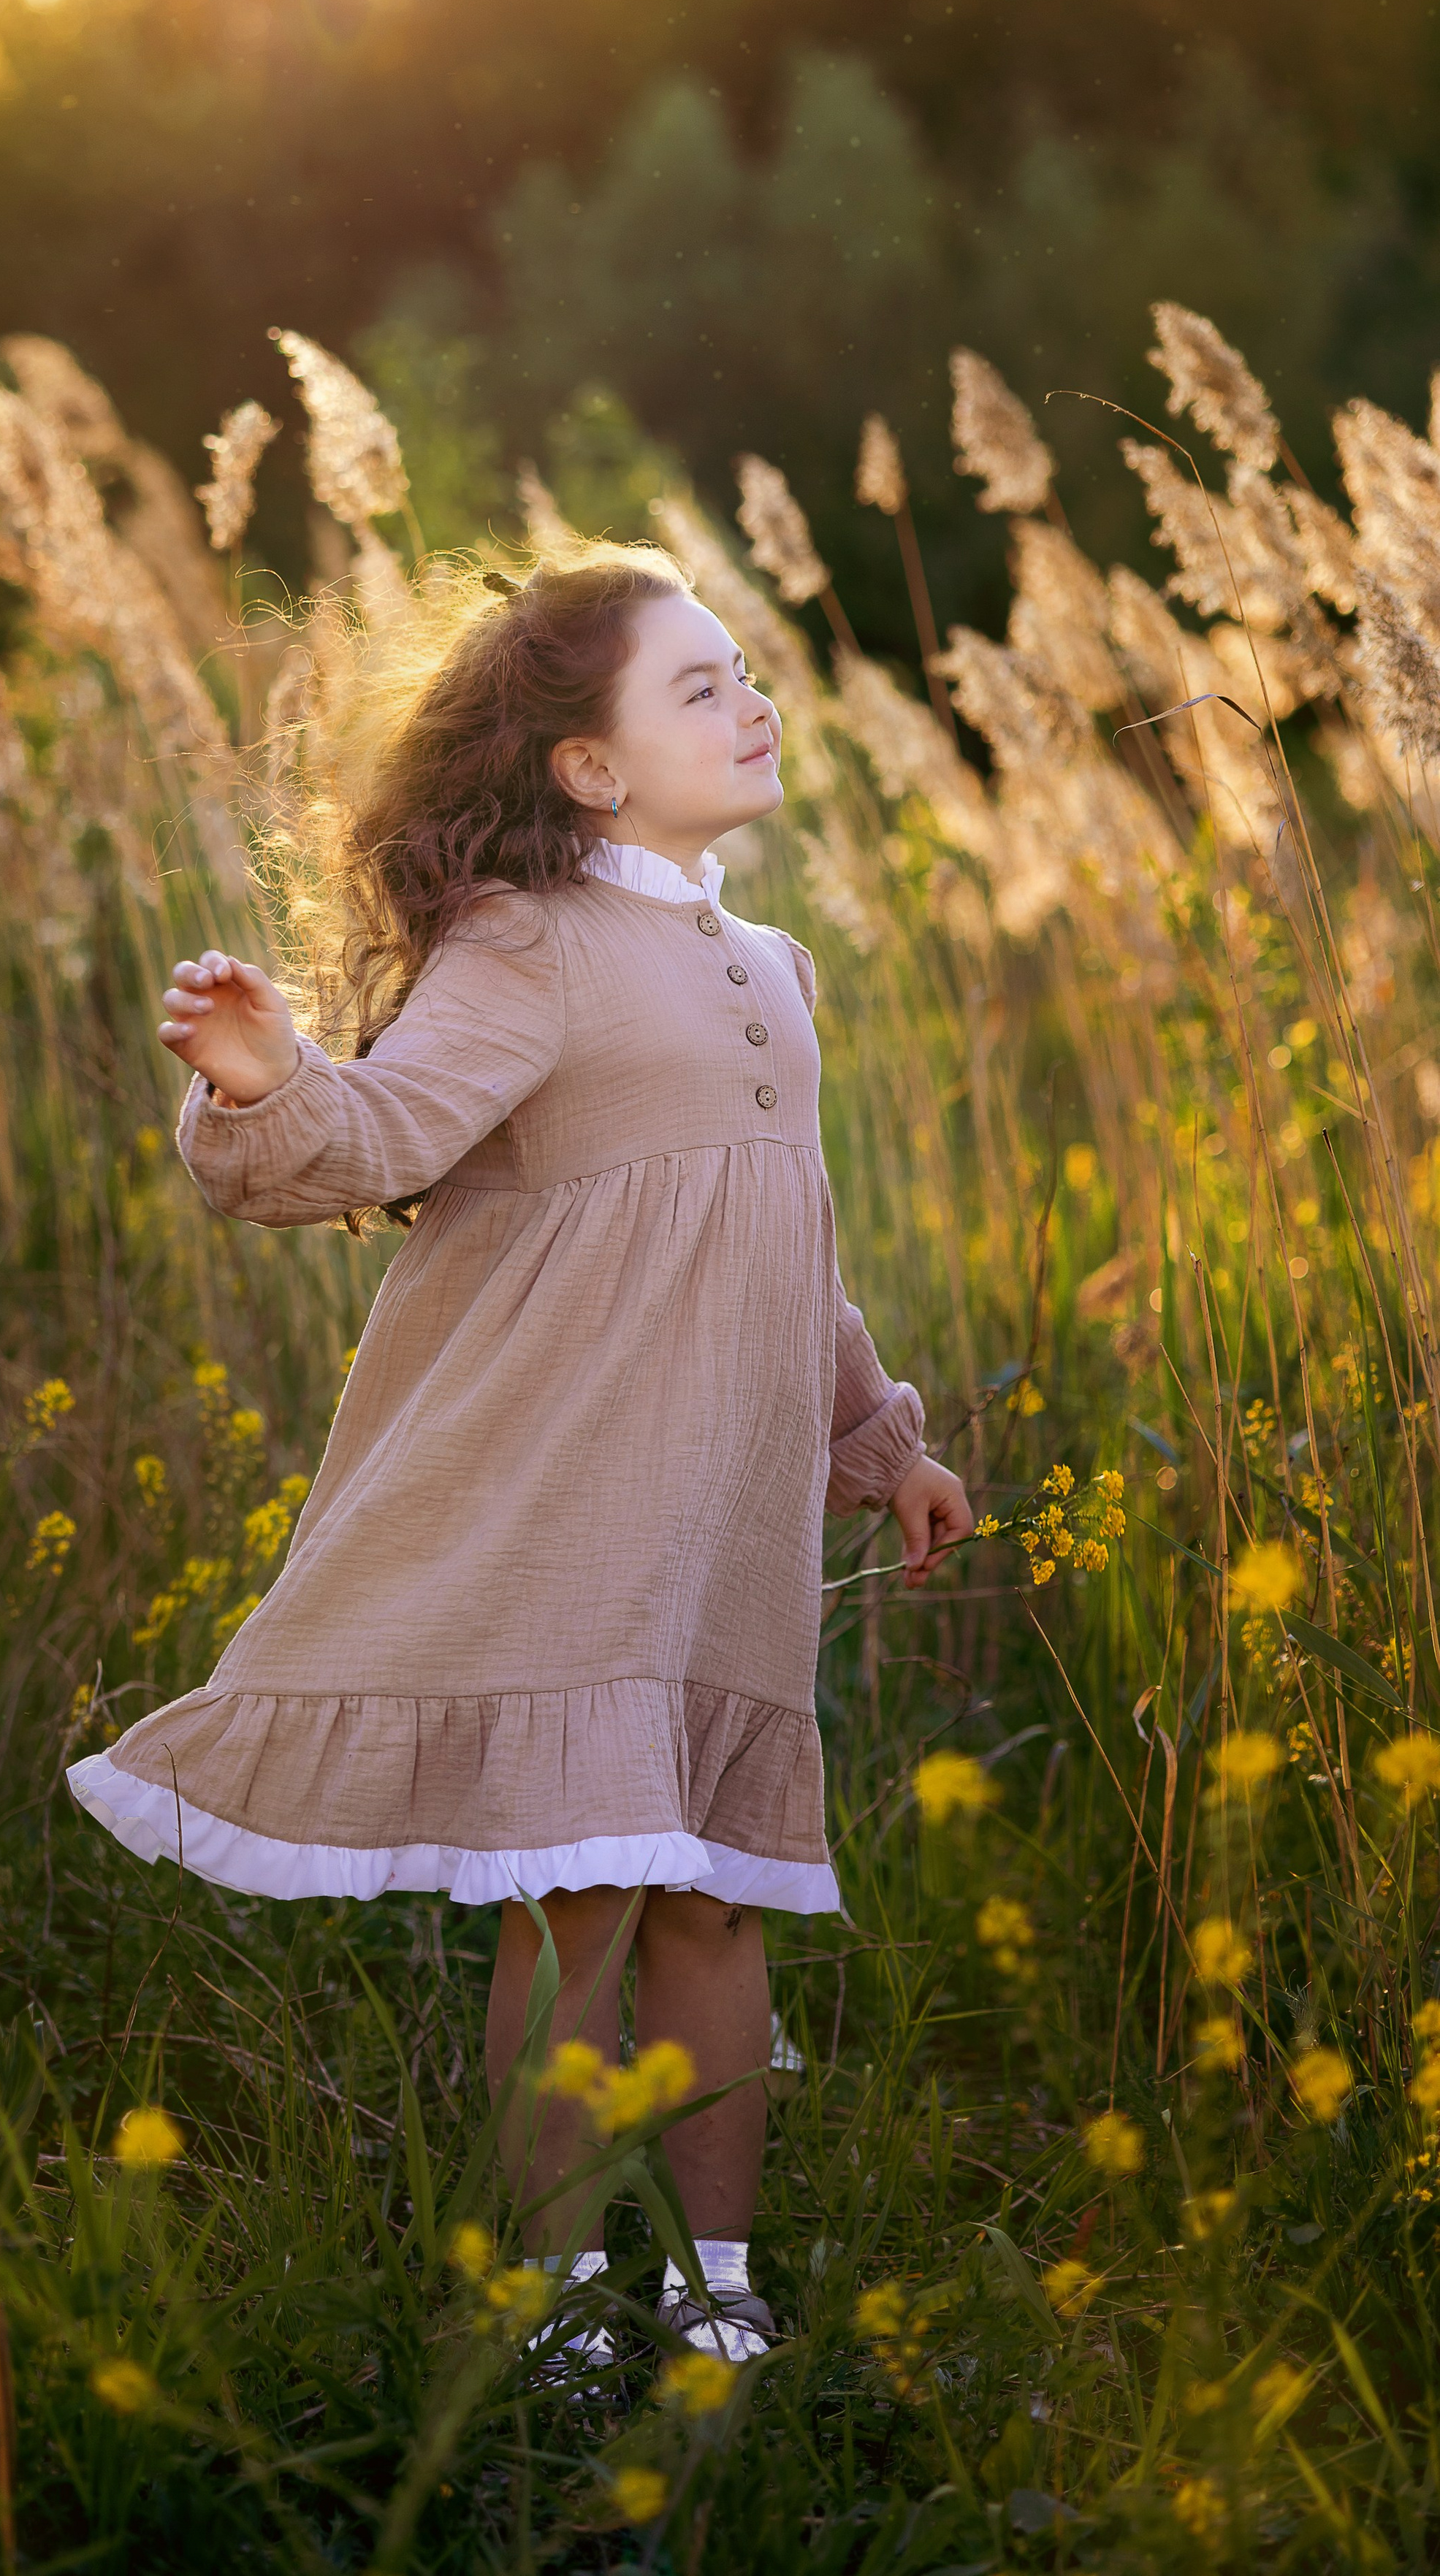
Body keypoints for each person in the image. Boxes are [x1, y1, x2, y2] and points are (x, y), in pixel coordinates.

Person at [69, 548, 972, 2366]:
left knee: (718, 1896)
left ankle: (719, 2298)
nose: (750, 701)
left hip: (724, 1526)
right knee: (579, 1896)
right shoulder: (527, 939)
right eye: (698, 686)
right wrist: (263, 1078)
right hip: (572, 1496)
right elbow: (382, 1131)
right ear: (585, 766)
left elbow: (779, 1235)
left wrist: (874, 1434)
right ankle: (554, 2302)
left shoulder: (771, 965)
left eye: (745, 672)